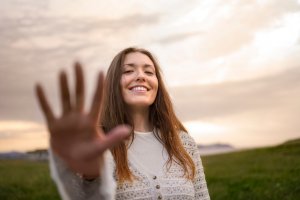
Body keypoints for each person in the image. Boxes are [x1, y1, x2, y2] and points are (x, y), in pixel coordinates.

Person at [35, 47, 210, 200]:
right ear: (113, 84)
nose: (141, 76)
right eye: (128, 71)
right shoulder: (99, 145)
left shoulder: (184, 143)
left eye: (149, 72)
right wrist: (91, 179)